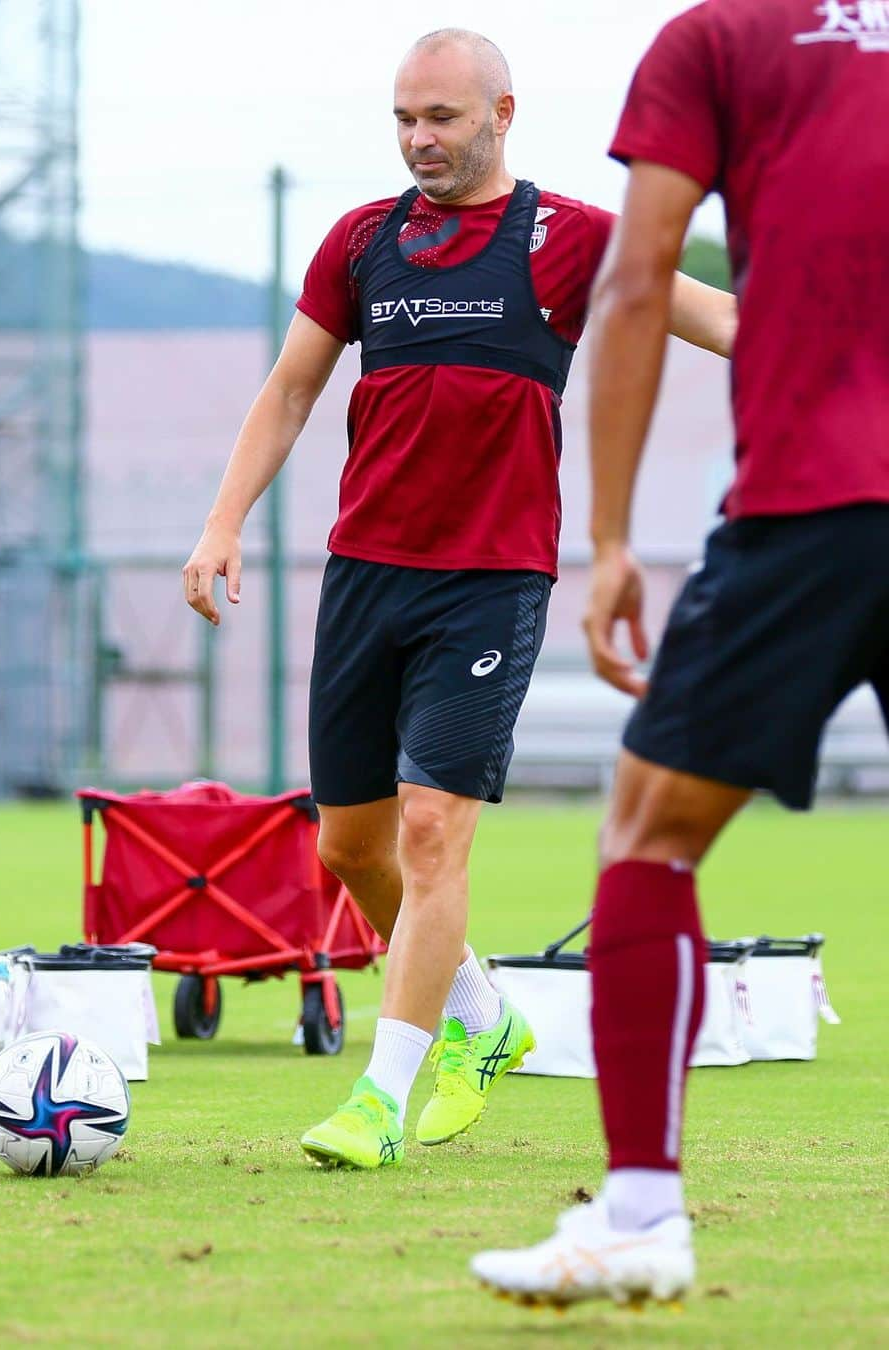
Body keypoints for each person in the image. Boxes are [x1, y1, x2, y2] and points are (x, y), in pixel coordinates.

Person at [183, 28, 735, 1171]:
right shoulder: (363, 241)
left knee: (434, 830)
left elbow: (718, 314)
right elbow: (290, 393)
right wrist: (223, 522)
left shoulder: (567, 236)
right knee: (351, 849)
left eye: (440, 118)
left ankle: (382, 1097)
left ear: (503, 113)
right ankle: (485, 1018)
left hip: (488, 586)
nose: (420, 140)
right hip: (365, 577)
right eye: (404, 119)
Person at [472, 0, 889, 1307]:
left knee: (649, 828)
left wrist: (603, 537)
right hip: (817, 496)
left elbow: (638, 279)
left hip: (814, 505)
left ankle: (645, 1209)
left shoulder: (718, 39)